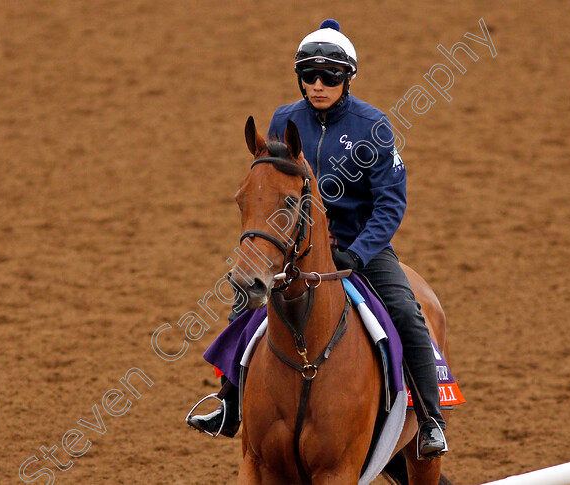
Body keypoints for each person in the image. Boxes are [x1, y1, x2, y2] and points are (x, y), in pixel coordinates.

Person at [187, 18, 448, 459]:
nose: (319, 84)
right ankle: (228, 405)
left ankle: (430, 420)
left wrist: (359, 253)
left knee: (407, 310)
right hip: (297, 246)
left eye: (330, 76)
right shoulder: (284, 119)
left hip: (360, 246)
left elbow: (389, 206)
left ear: (347, 79)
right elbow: (274, 189)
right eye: (310, 76)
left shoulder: (375, 126)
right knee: (244, 298)